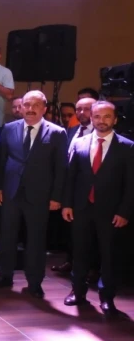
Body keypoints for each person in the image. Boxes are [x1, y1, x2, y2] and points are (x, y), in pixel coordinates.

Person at [0, 90, 67, 299]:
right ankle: (4, 275)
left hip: (40, 195)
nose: (30, 109)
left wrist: (56, 197)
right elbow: (1, 160)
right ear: (21, 107)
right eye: (26, 105)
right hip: (11, 192)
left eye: (35, 105)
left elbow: (61, 168)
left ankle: (34, 282)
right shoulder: (9, 128)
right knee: (7, 236)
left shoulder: (57, 133)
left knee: (36, 239)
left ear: (44, 108)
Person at [62, 101, 134, 316]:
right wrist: (67, 204)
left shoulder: (128, 147)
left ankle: (107, 298)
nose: (102, 121)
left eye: (107, 116)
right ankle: (78, 292)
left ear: (115, 119)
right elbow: (71, 178)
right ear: (91, 118)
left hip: (111, 212)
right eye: (97, 116)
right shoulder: (79, 143)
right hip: (81, 208)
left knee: (109, 255)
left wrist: (124, 211)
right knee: (80, 252)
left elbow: (131, 184)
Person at [51, 96, 97, 273]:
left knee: (91, 232)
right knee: (70, 229)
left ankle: (92, 269)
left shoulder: (100, 132)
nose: (82, 113)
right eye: (79, 109)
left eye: (87, 109)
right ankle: (71, 261)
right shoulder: (71, 130)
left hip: (89, 191)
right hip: (69, 188)